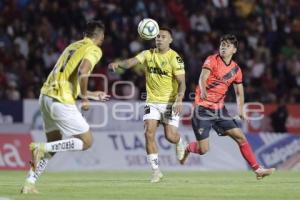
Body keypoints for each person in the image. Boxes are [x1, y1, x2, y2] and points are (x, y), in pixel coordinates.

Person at [21, 20, 110, 194]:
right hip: (60, 100)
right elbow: (83, 72)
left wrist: (91, 94)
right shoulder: (94, 49)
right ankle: (41, 147)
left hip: (45, 96)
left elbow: (69, 78)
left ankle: (29, 183)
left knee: (54, 143)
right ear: (100, 36)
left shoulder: (72, 46)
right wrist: (85, 98)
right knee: (87, 141)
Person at [179, 34, 275, 180]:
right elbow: (202, 77)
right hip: (202, 109)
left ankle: (258, 170)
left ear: (234, 50)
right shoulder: (212, 59)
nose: (223, 47)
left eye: (227, 45)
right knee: (203, 149)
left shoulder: (236, 70)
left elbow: (239, 92)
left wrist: (241, 109)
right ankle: (187, 147)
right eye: (222, 44)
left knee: (241, 138)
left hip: (220, 110)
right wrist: (203, 89)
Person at [108, 28, 186, 183]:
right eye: (157, 36)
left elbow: (182, 82)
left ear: (170, 40)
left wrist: (179, 99)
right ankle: (156, 171)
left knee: (170, 136)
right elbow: (131, 62)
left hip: (170, 102)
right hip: (152, 101)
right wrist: (119, 64)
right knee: (148, 133)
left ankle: (179, 141)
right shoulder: (147, 54)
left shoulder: (175, 58)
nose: (159, 39)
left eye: (163, 37)